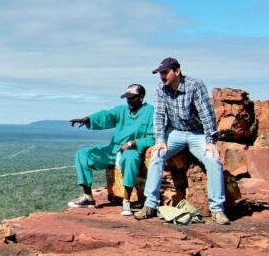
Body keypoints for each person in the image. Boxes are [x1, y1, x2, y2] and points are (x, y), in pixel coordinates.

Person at [134, 57, 230, 224]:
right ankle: (150, 205)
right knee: (157, 155)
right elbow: (159, 115)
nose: (162, 76)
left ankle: (217, 209)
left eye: (165, 72)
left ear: (177, 72)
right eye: (160, 73)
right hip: (176, 132)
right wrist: (160, 139)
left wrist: (210, 140)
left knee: (213, 160)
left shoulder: (194, 85)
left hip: (197, 133)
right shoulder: (160, 89)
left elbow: (207, 115)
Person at [68, 84, 155, 215]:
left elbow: (153, 137)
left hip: (132, 150)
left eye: (132, 98)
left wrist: (133, 143)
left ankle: (126, 202)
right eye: (127, 98)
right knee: (82, 154)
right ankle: (88, 197)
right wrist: (88, 119)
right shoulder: (122, 111)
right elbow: (106, 116)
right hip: (112, 150)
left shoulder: (150, 112)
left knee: (130, 158)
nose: (129, 101)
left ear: (141, 97)